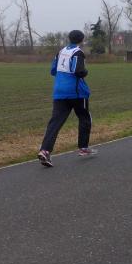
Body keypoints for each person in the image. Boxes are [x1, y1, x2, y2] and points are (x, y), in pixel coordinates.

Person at [37, 30, 96, 167]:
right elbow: (78, 71)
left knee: (55, 122)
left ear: (69, 38)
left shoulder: (60, 52)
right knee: (84, 118)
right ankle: (83, 147)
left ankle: (45, 150)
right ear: (82, 40)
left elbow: (53, 71)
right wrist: (85, 72)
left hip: (59, 92)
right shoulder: (78, 52)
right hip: (77, 93)